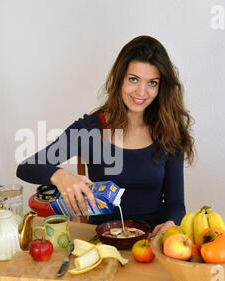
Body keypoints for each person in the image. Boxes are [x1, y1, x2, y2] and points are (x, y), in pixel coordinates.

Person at [16, 35, 195, 238]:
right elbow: (26, 167)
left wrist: (172, 223)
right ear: (119, 79)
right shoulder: (92, 128)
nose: (141, 92)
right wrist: (61, 176)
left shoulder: (169, 131)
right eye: (133, 79)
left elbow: (175, 203)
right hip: (102, 239)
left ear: (161, 87)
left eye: (152, 83)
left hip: (152, 241)